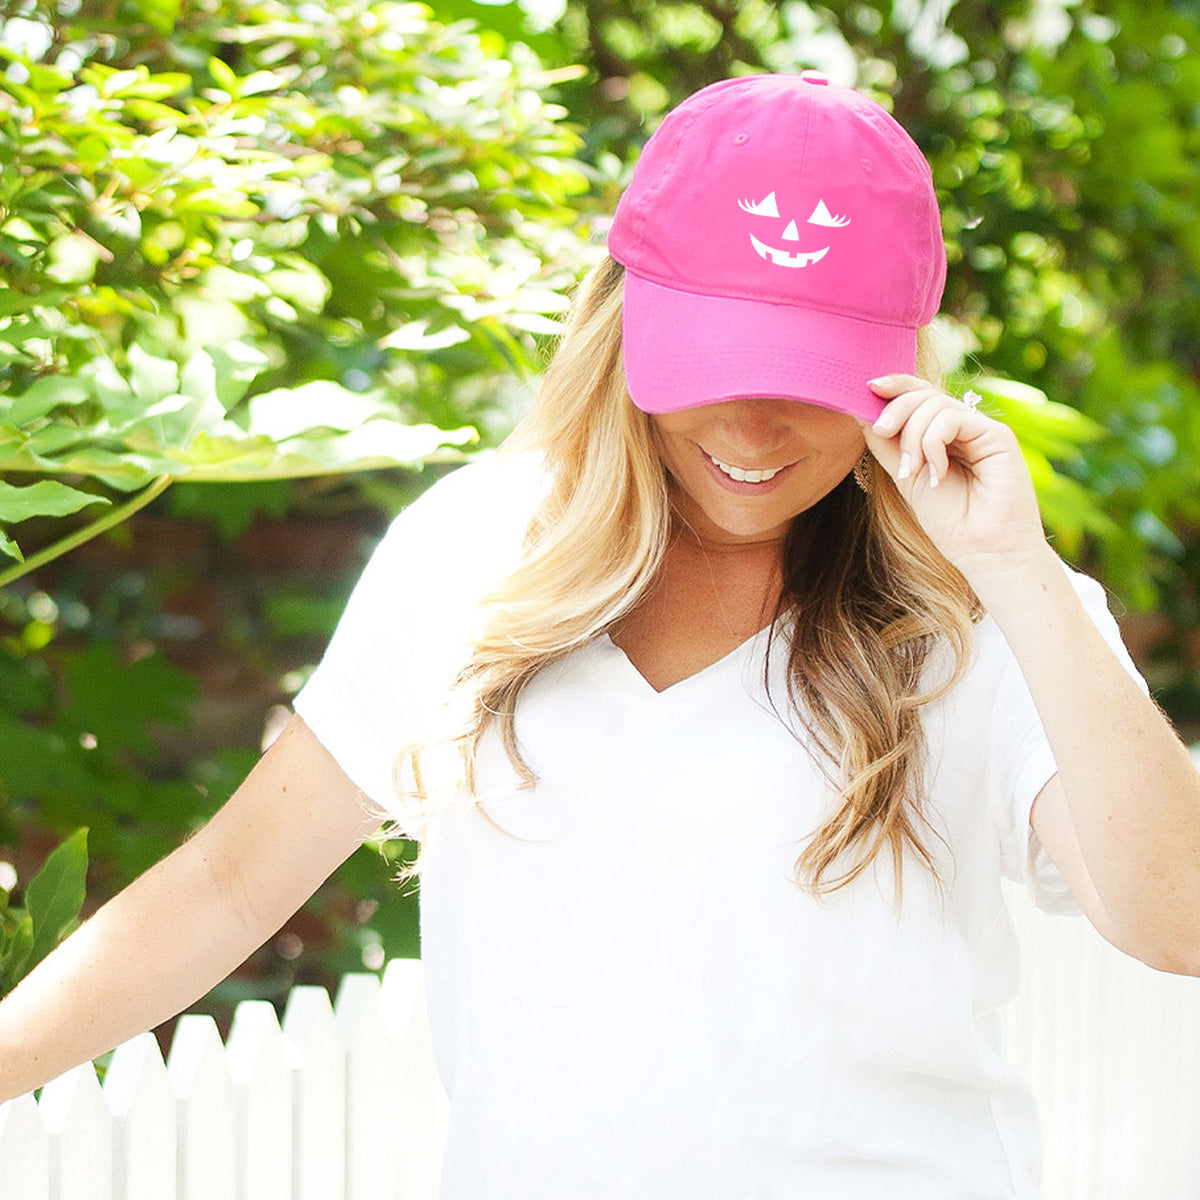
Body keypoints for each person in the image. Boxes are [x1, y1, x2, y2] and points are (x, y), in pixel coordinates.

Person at [2, 71, 1199, 1198]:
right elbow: (225, 886)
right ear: (624, 324)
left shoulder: (980, 606)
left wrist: (1021, 571)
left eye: (814, 372)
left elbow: (1176, 920)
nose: (757, 425)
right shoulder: (476, 547)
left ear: (900, 367)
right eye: (720, 360)